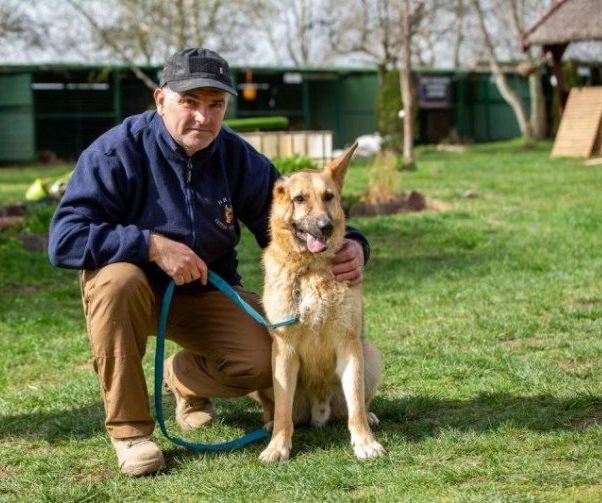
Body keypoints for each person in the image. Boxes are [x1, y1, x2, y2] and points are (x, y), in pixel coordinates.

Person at [48, 48, 370, 477]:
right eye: (190, 102)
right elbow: (64, 238)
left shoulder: (236, 156)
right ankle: (131, 434)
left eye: (215, 105)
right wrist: (150, 246)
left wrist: (357, 246)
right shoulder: (116, 152)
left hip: (204, 291)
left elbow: (292, 214)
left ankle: (184, 379)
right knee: (118, 283)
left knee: (265, 357)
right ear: (161, 100)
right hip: (131, 291)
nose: (203, 116)